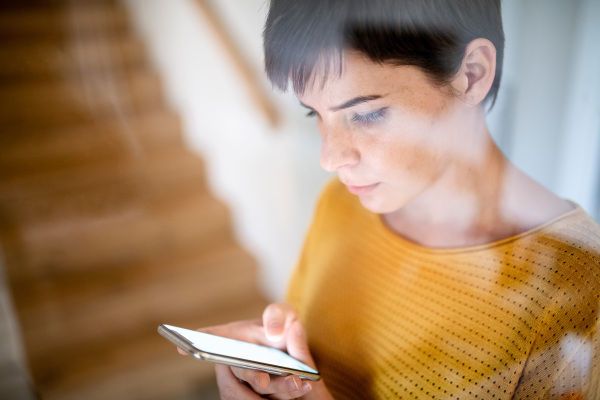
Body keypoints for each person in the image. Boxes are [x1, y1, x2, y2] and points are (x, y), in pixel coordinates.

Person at [181, 0, 600, 398]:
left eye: (365, 114)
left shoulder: (582, 288)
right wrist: (277, 362)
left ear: (471, 73)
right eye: (316, 114)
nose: (329, 158)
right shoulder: (341, 203)